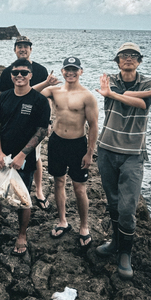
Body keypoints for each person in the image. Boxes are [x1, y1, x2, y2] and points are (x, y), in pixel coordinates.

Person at [95, 42, 151, 279]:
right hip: (107, 149)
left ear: (139, 61)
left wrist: (120, 95)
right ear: (117, 61)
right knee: (112, 202)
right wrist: (116, 93)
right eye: (123, 55)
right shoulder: (108, 79)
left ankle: (125, 253)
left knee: (128, 208)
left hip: (133, 153)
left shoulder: (150, 82)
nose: (128, 58)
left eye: (133, 55)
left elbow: (141, 103)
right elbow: (131, 97)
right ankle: (115, 243)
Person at [0, 59, 51, 256]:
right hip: (2, 153)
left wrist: (22, 155)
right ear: (10, 75)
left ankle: (22, 234)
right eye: (15, 72)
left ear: (31, 75)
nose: (19, 76)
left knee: (23, 196)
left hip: (24, 157)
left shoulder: (39, 100)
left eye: (24, 73)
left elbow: (42, 131)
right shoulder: (4, 97)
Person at [0, 35, 58, 210]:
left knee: (35, 157)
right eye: (19, 46)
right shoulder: (8, 71)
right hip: (10, 123)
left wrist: (49, 120)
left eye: (26, 46)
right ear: (14, 50)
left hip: (34, 123)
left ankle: (38, 191)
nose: (22, 49)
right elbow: (1, 97)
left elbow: (48, 97)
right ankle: (7, 186)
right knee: (6, 157)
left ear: (31, 49)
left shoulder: (40, 70)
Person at [41, 57, 99, 246]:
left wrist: (90, 152)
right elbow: (30, 94)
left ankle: (84, 226)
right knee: (58, 182)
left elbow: (93, 126)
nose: (70, 72)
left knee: (79, 188)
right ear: (62, 71)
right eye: (67, 69)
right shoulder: (54, 91)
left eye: (74, 69)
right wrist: (46, 82)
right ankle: (62, 221)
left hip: (77, 145)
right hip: (56, 142)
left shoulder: (87, 96)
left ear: (81, 71)